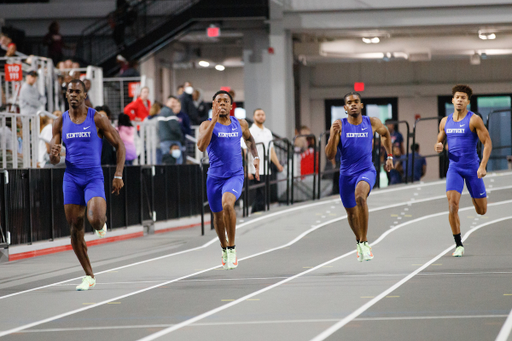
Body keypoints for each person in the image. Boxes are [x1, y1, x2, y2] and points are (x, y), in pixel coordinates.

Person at [49, 79, 126, 291]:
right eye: (69, 91)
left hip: (93, 176)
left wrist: (118, 174)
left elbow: (119, 145)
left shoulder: (97, 118)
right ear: (66, 95)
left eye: (77, 91)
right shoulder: (60, 122)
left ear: (84, 95)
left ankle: (102, 224)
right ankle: (89, 275)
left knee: (96, 219)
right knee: (75, 227)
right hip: (72, 177)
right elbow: (54, 160)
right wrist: (53, 156)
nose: (73, 94)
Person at [325, 92, 393, 262]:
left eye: (356, 102)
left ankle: (364, 241)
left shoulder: (372, 123)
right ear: (345, 108)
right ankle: (359, 241)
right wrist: (333, 136)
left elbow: (385, 134)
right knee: (351, 214)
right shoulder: (340, 125)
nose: (353, 104)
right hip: (346, 176)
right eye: (350, 102)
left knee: (360, 198)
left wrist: (389, 156)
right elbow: (329, 155)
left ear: (361, 105)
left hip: (366, 170)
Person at [197, 90, 260, 270]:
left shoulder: (240, 124)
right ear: (213, 105)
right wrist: (213, 121)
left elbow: (250, 140)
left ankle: (232, 248)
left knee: (227, 205)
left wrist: (255, 157)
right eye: (219, 101)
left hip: (235, 175)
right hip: (214, 178)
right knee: (217, 216)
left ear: (231, 106)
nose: (222, 104)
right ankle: (224, 247)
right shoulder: (206, 124)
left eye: (226, 101)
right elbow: (201, 146)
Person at [434, 84, 492, 257]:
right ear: (452, 100)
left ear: (467, 101)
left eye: (463, 98)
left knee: (481, 211)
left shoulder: (474, 120)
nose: (459, 100)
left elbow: (487, 142)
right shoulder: (445, 121)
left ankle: (475, 196)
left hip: (473, 168)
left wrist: (482, 166)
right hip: (455, 168)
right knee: (452, 205)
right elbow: (440, 138)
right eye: (457, 97)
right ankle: (458, 244)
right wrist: (438, 145)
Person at [242, 108, 284, 213]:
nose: (261, 116)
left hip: (266, 167)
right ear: (254, 117)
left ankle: (256, 213)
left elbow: (271, 151)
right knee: (259, 193)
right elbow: (245, 151)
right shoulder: (250, 132)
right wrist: (247, 168)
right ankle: (256, 214)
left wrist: (278, 164)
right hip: (254, 168)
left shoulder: (268, 132)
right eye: (258, 114)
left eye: (262, 114)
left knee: (263, 194)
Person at [158, 96, 184, 164]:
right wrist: (180, 137)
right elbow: (174, 128)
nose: (174, 104)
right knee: (176, 163)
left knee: (167, 161)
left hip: (164, 140)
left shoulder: (162, 111)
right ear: (167, 102)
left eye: (175, 102)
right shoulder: (169, 112)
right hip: (171, 140)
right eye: (172, 102)